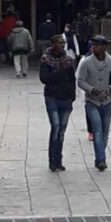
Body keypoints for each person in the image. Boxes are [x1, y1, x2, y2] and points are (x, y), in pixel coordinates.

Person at [76, 34, 111, 171]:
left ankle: (99, 155)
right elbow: (80, 80)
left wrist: (110, 88)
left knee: (105, 132)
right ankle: (101, 159)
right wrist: (91, 89)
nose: (94, 47)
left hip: (107, 101)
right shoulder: (86, 62)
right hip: (92, 101)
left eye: (97, 45)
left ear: (104, 47)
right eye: (93, 45)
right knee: (97, 130)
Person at [39, 35, 76, 171]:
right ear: (53, 44)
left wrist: (72, 96)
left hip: (65, 98)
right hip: (52, 97)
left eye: (63, 43)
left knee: (61, 131)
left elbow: (72, 79)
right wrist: (59, 69)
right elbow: (44, 79)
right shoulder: (46, 59)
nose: (62, 45)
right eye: (60, 43)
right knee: (55, 126)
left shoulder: (69, 60)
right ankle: (52, 160)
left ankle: (58, 159)